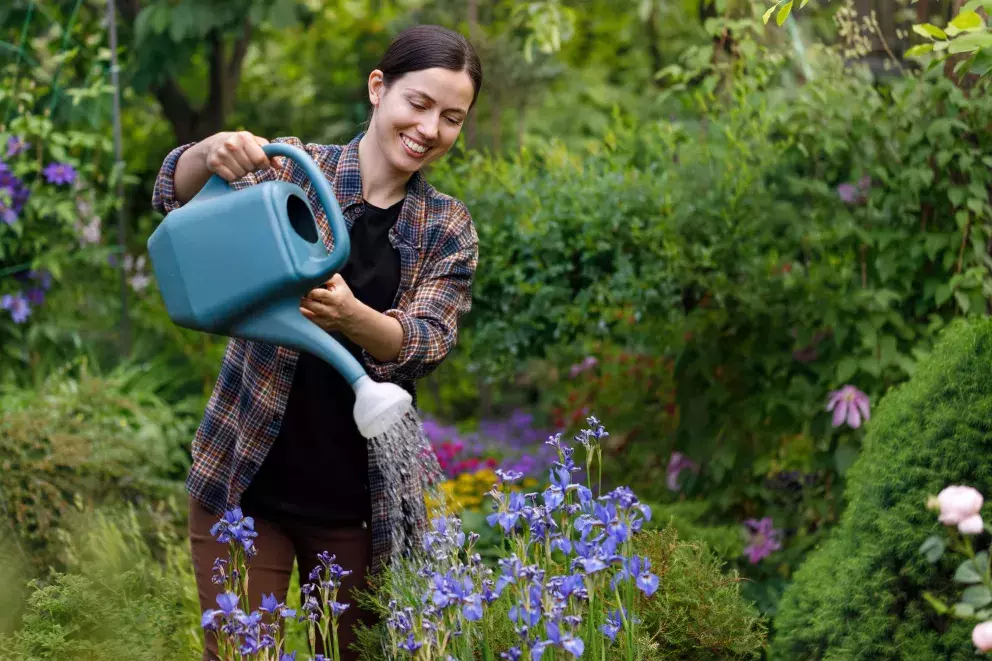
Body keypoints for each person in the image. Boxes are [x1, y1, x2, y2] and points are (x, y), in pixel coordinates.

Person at [151, 24, 482, 661]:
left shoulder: (446, 226)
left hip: (358, 507)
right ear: (378, 89)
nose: (430, 128)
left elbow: (426, 341)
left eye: (452, 118)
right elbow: (173, 196)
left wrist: (353, 316)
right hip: (242, 485)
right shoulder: (293, 173)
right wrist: (208, 152)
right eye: (418, 103)